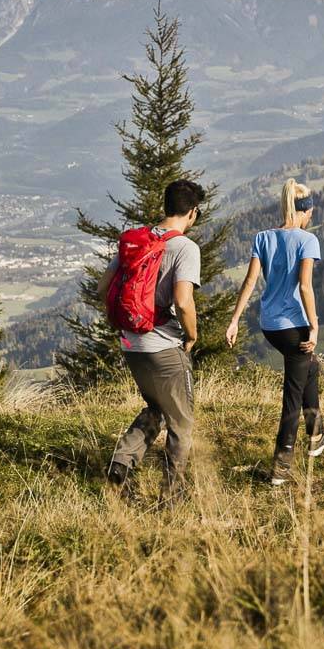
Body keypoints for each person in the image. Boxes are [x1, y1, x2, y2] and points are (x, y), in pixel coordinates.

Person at [225, 178, 324, 486]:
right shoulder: (307, 240)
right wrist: (314, 326)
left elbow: (249, 283)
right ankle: (280, 468)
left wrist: (235, 320)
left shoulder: (263, 237)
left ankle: (316, 436)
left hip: (269, 325)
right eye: (311, 211)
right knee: (292, 393)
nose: (312, 216)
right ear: (304, 210)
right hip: (294, 326)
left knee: (310, 368)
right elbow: (304, 286)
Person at [105, 179, 204, 495]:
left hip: (131, 343)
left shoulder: (136, 240)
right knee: (181, 420)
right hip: (163, 345)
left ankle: (120, 463)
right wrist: (191, 335)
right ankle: (172, 492)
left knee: (157, 407)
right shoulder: (185, 247)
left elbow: (102, 287)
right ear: (192, 213)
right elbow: (183, 300)